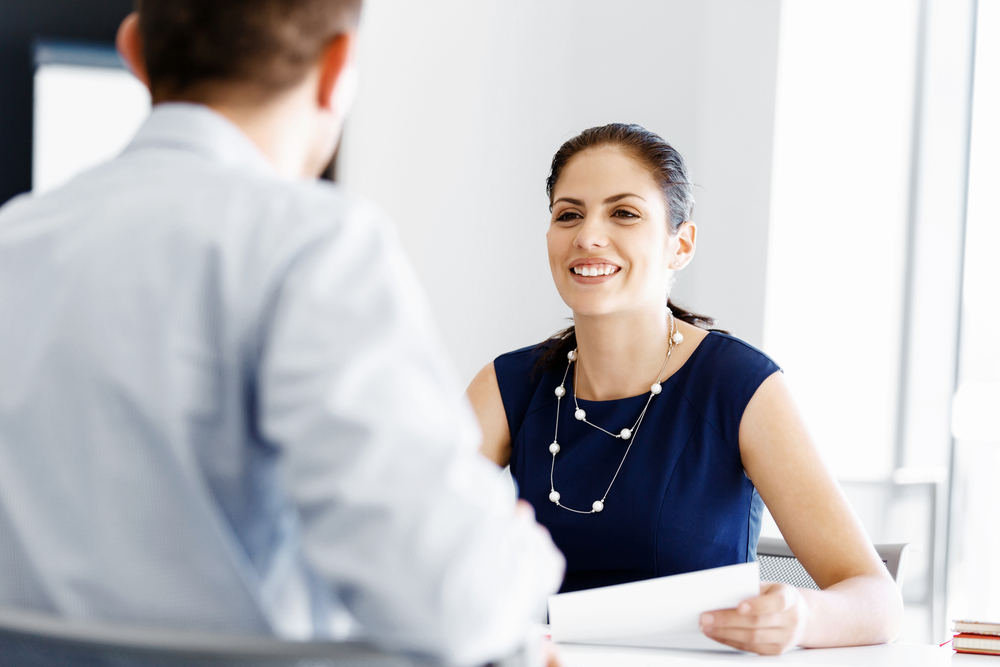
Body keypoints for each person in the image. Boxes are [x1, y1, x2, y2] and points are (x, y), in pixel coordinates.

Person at [0, 2, 564, 665]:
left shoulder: (14, 237)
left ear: (135, 51)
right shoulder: (311, 243)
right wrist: (507, 545)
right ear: (337, 69)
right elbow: (457, 601)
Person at [466, 123, 903, 656]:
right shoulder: (506, 386)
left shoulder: (740, 385)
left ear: (682, 244)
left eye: (623, 213)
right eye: (568, 214)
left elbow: (876, 598)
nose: (588, 236)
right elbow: (400, 543)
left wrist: (802, 615)